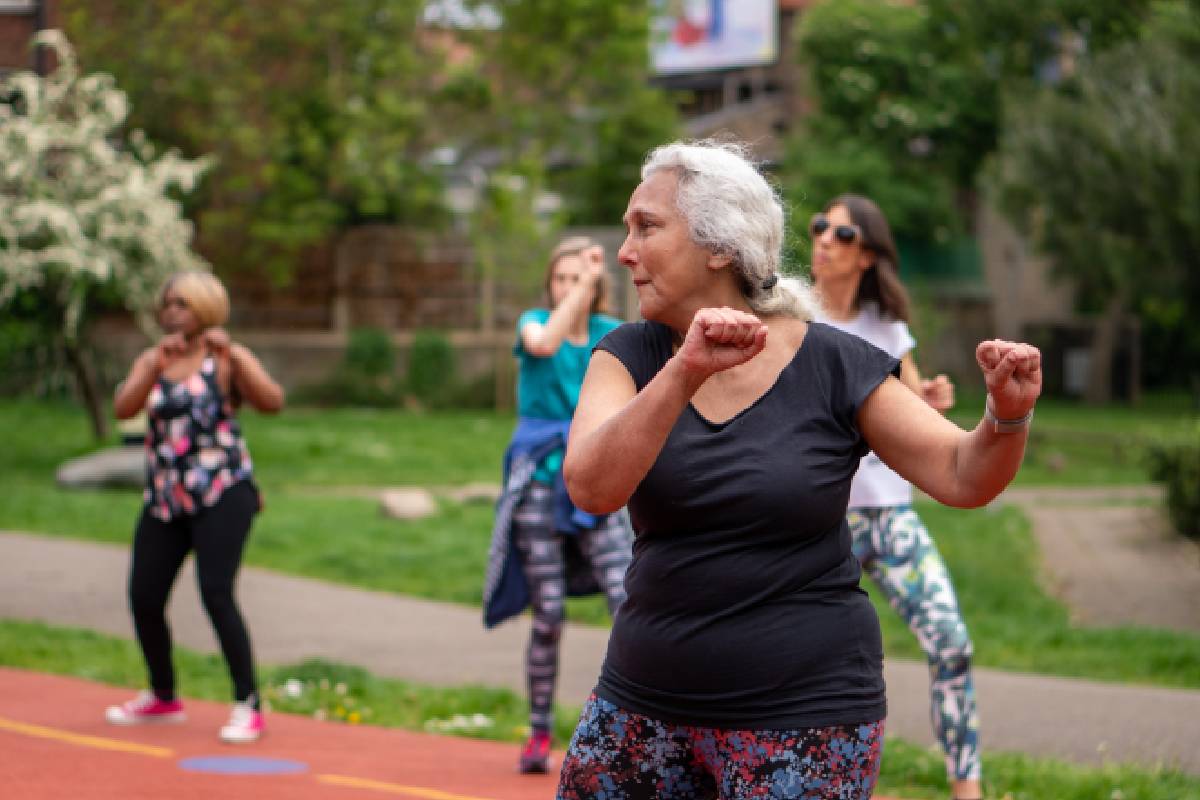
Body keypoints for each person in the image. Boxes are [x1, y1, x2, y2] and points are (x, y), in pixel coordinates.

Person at [556, 141, 1041, 799]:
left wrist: (1005, 418)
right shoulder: (629, 356)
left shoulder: (837, 363)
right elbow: (591, 484)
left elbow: (963, 475)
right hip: (642, 708)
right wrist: (686, 370)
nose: (623, 251)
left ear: (719, 246)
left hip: (804, 719)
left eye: (647, 226)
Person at [810, 194, 983, 800]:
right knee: (802, 660)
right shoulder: (795, 319)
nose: (825, 238)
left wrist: (927, 398)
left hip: (892, 515)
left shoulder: (887, 328)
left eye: (843, 232)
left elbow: (909, 407)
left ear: (867, 254)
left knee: (953, 644)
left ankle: (967, 791)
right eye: (819, 227)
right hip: (828, 524)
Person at [105, 271, 284, 744]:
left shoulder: (225, 358)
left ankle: (248, 705)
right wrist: (148, 368)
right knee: (144, 595)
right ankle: (163, 696)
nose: (170, 312)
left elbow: (273, 402)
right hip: (167, 497)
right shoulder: (155, 360)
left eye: (181, 303)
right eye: (167, 303)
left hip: (223, 492)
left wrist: (237, 360)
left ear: (205, 307)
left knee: (215, 592)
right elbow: (123, 410)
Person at [483, 236, 634, 774]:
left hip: (594, 477)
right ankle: (539, 730)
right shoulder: (533, 323)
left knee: (627, 603)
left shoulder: (609, 334)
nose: (569, 286)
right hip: (540, 482)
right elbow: (546, 343)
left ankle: (627, 731)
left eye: (580, 278)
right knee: (547, 616)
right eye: (562, 278)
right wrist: (588, 283)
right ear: (549, 283)